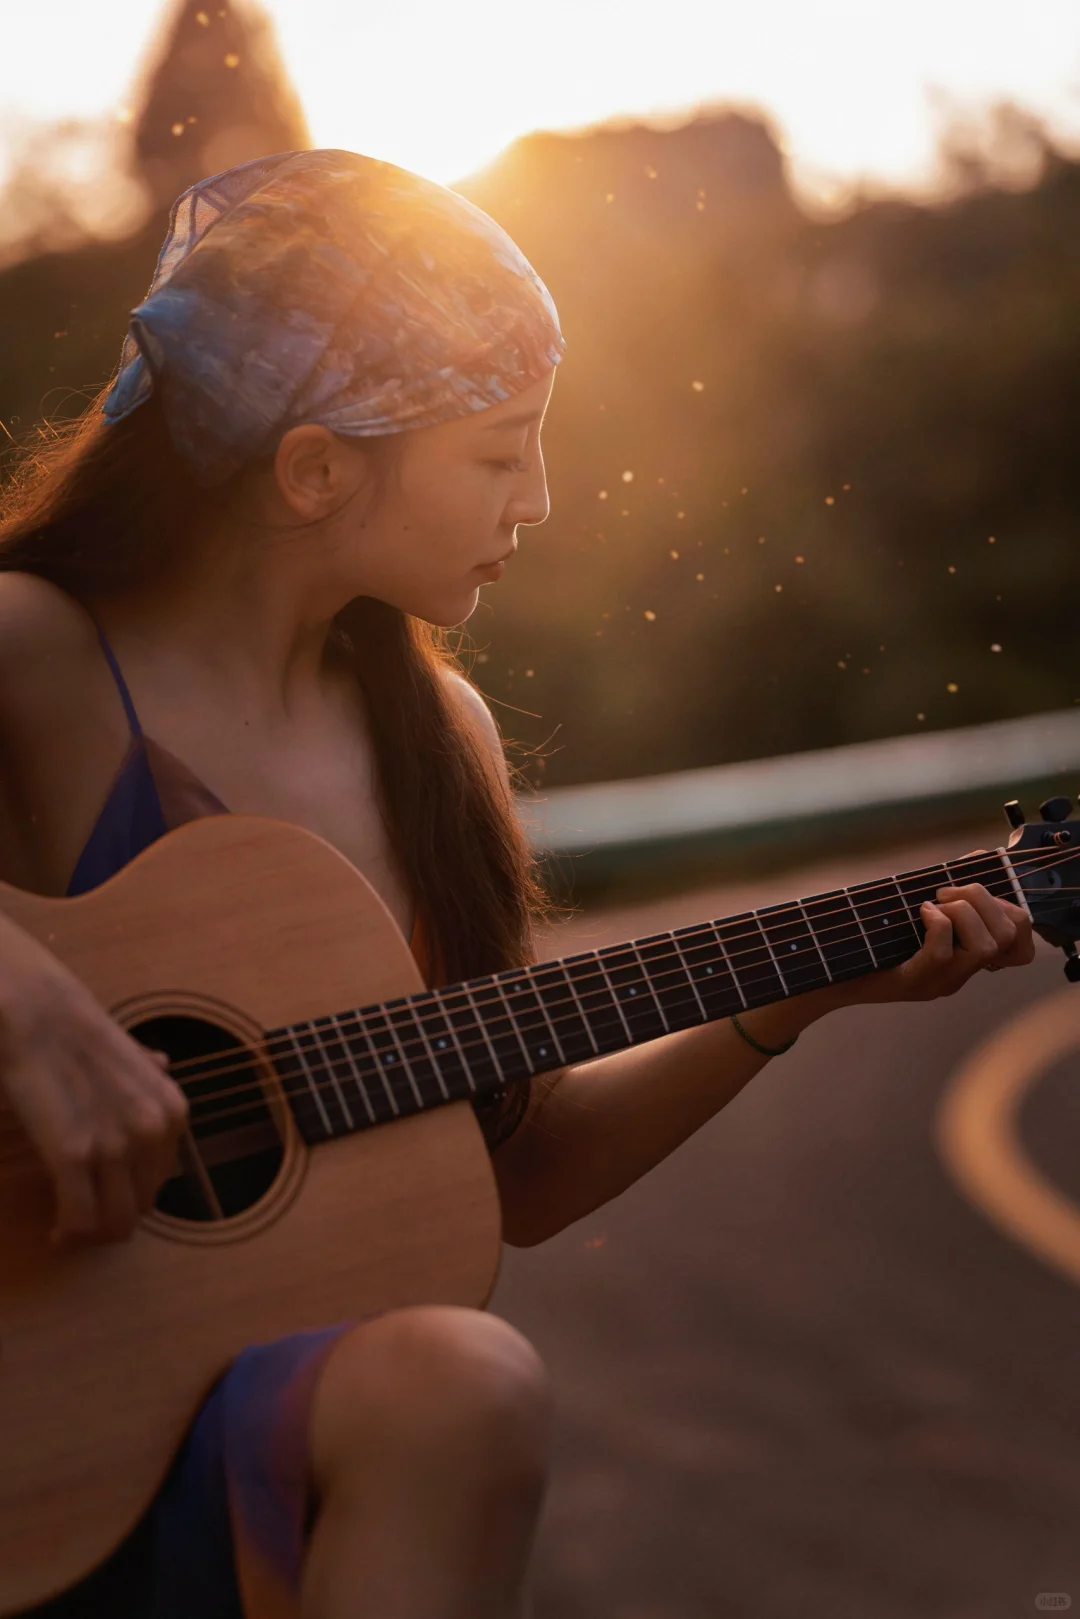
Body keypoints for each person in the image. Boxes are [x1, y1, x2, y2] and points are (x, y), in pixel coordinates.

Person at [0, 149, 1034, 1619]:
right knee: (463, 1383)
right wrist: (23, 992)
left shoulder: (443, 740)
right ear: (316, 469)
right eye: (499, 453)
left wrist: (799, 994)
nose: (539, 498)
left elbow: (518, 1172)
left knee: (457, 1380)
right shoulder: (39, 657)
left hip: (235, 1450)